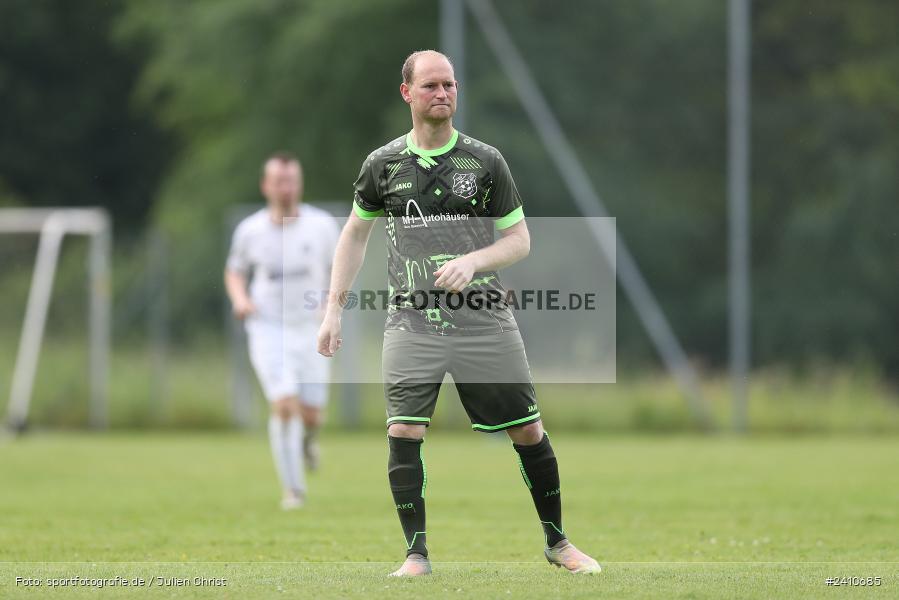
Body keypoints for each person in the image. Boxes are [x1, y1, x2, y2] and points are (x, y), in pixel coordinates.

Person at [316, 51, 601, 575]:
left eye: (449, 85)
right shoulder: (382, 165)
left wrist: (474, 261)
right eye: (430, 85)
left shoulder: (486, 161)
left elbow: (519, 240)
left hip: (484, 319)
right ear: (407, 93)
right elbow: (354, 236)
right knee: (403, 431)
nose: (442, 93)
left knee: (528, 431)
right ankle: (416, 556)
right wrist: (334, 310)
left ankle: (560, 544)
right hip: (410, 318)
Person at [226, 152, 339, 510]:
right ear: (266, 186)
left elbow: (339, 268)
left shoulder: (321, 226)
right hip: (268, 328)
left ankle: (307, 441)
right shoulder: (250, 230)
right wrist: (241, 299)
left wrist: (332, 307)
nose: (286, 188)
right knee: (284, 405)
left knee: (311, 415)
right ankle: (293, 490)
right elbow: (234, 271)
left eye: (292, 180)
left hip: (311, 328)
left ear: (300, 184)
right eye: (279, 181)